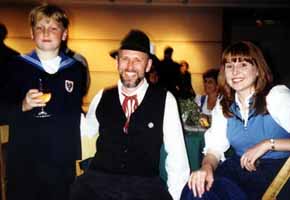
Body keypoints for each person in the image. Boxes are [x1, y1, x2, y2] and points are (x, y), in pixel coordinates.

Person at [70, 29, 190, 200]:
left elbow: (177, 156)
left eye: (137, 60)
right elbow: (85, 131)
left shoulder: (165, 100)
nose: (130, 66)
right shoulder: (102, 96)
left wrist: (175, 196)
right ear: (117, 62)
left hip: (145, 185)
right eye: (125, 59)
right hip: (97, 183)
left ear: (148, 65)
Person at [180, 41, 290, 200]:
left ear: (258, 70)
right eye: (229, 66)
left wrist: (268, 144)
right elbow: (215, 148)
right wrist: (206, 167)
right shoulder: (224, 103)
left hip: (277, 171)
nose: (235, 72)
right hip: (239, 169)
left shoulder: (276, 96)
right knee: (197, 191)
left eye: (243, 65)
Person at [0, 4, 88, 200]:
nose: (46, 32)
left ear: (64, 34)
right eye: (40, 27)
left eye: (54, 28)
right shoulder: (15, 67)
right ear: (32, 33)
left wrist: (76, 157)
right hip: (25, 161)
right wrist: (22, 106)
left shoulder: (75, 69)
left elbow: (74, 112)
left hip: (61, 164)